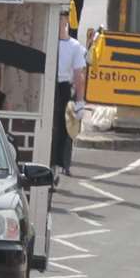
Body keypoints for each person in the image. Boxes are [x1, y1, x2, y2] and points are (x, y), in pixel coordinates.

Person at [53, 12, 88, 177]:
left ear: (67, 20)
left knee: (64, 126)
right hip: (48, 83)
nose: (60, 19)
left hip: (63, 87)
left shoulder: (75, 46)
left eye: (63, 16)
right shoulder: (47, 40)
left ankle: (61, 164)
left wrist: (80, 102)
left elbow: (79, 76)